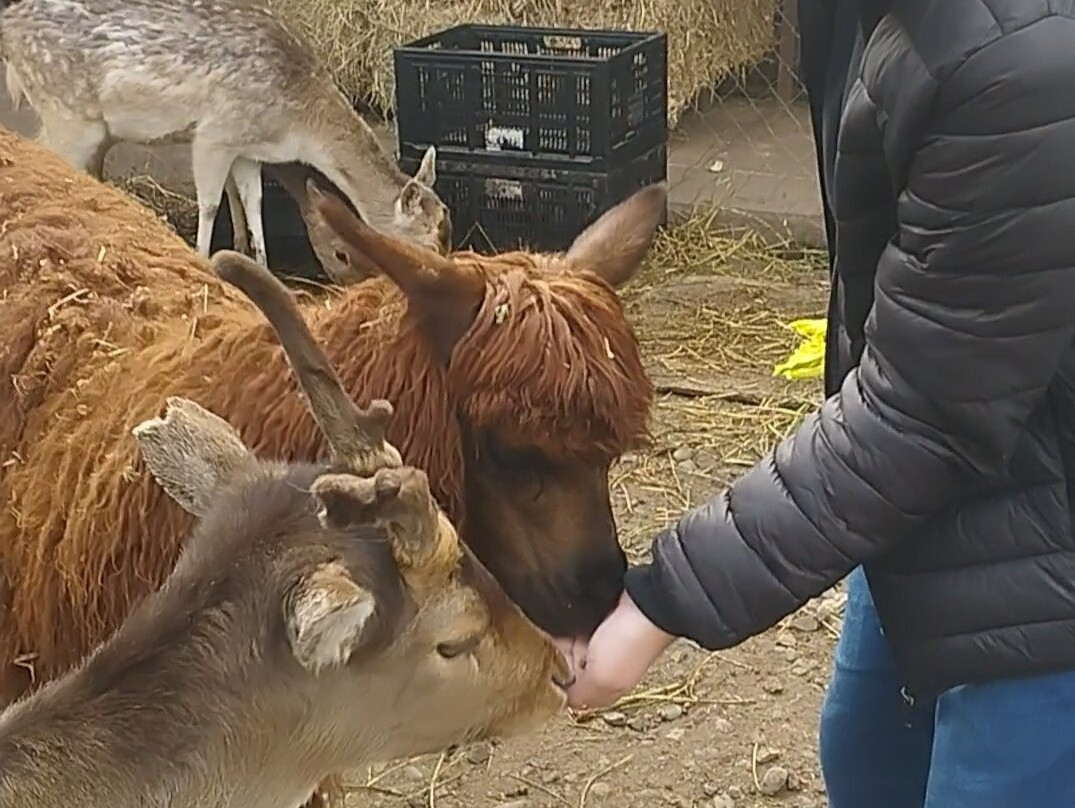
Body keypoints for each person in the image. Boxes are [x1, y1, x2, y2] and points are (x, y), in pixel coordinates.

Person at [562, 2, 1075, 806]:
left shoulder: (1022, 57)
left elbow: (924, 413)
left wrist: (659, 602)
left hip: (1044, 562)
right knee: (865, 760)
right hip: (937, 495)